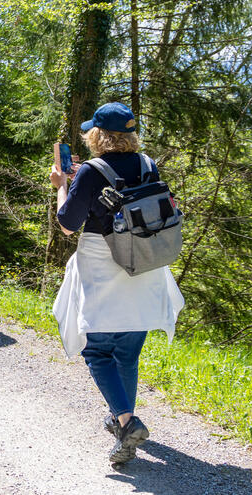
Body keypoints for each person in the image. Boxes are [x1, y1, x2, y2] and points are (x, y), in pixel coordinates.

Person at [49, 102, 184, 464]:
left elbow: (67, 224)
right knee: (127, 352)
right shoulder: (148, 164)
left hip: (103, 267)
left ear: (97, 135)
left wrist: (63, 185)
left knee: (96, 350)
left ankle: (126, 422)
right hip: (145, 266)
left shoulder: (91, 172)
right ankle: (122, 420)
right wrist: (82, 176)